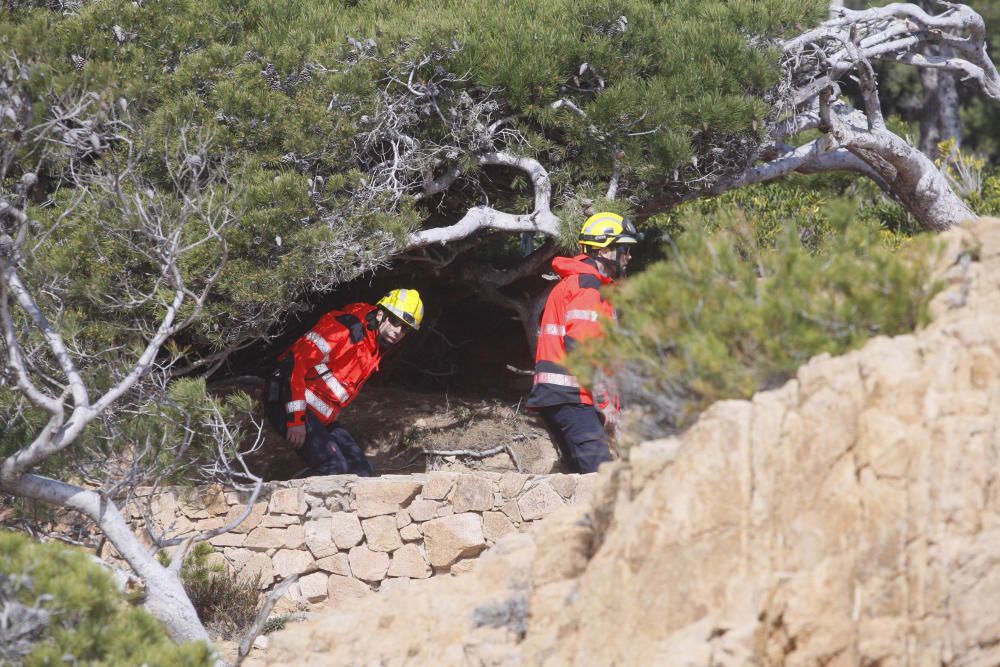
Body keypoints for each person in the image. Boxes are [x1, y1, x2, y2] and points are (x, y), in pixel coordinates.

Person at [266, 288, 424, 477]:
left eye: (405, 328)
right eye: (395, 321)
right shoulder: (347, 328)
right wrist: (296, 419)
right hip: (287, 402)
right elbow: (294, 363)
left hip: (319, 416)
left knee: (361, 472)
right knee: (333, 467)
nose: (398, 331)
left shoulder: (374, 342)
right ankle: (282, 502)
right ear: (381, 314)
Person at [526, 212, 640, 473]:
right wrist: (605, 404)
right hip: (573, 398)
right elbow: (584, 350)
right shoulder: (588, 287)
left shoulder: (581, 285)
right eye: (625, 249)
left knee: (582, 483)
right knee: (601, 479)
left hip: (565, 399)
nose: (629, 257)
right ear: (606, 250)